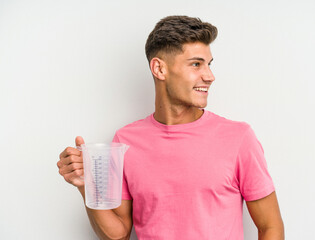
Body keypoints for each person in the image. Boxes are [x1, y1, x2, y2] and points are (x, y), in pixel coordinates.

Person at [57, 15, 284, 240]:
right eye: (196, 64)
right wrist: (88, 185)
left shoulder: (238, 138)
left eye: (209, 64)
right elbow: (118, 235)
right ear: (159, 69)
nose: (210, 76)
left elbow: (270, 227)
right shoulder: (125, 141)